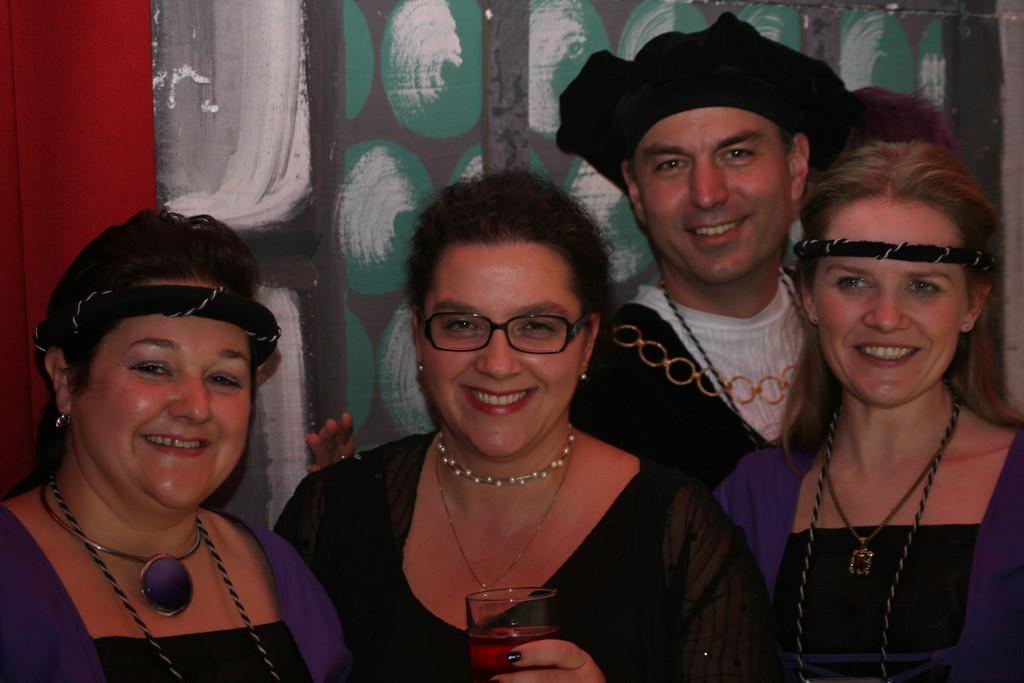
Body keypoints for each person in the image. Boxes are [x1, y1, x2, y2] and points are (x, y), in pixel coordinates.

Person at [275, 170, 781, 681]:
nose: (498, 364)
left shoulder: (682, 532)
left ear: (587, 343)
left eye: (537, 326)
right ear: (419, 336)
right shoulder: (333, 514)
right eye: (462, 325)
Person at [715, 141, 1024, 680]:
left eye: (922, 286)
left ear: (972, 304)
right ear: (809, 295)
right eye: (853, 282)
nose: (885, 317)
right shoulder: (750, 496)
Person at [1, 210, 353, 681]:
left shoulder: (281, 570)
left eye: (224, 378)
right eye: (153, 367)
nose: (196, 407)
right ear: (66, 379)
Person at [555, 11, 864, 488]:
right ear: (635, 189)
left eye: (737, 154)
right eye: (671, 164)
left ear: (796, 165)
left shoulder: (866, 330)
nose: (706, 195)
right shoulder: (597, 386)